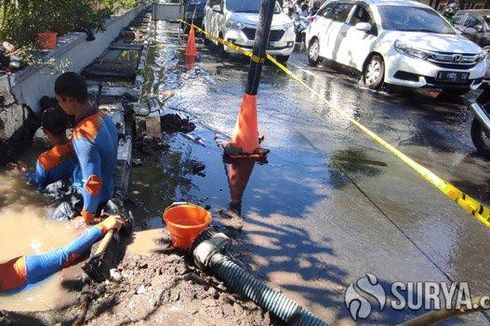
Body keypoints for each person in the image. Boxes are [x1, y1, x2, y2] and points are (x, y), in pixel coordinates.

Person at [55, 72, 118, 224]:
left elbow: (93, 183)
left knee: (52, 221)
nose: (58, 105)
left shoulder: (82, 135)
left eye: (59, 101)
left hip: (91, 199)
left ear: (69, 100)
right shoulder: (101, 116)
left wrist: (87, 218)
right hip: (108, 187)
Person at [0, 215, 124, 292]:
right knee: (64, 256)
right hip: (22, 269)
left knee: (66, 255)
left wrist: (103, 226)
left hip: (27, 271)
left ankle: (105, 225)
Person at [13, 107, 75, 189]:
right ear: (67, 125)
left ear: (44, 131)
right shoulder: (79, 145)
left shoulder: (45, 160)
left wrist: (25, 172)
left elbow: (38, 183)